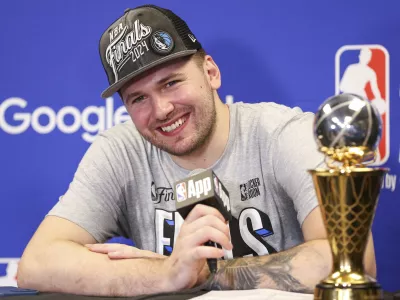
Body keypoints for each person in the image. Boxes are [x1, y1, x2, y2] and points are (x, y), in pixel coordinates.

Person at [17, 4, 377, 297]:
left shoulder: (282, 133)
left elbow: (350, 260)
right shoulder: (120, 151)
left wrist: (204, 275)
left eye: (171, 83)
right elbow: (37, 263)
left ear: (211, 72)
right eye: (138, 98)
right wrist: (165, 275)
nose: (161, 110)